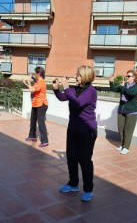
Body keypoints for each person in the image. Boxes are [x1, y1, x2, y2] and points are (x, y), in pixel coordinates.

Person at [53, 65, 97, 202]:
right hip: (73, 129)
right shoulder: (75, 89)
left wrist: (66, 86)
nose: (75, 76)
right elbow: (62, 97)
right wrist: (56, 89)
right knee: (71, 158)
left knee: (84, 160)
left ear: (84, 76)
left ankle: (88, 189)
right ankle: (73, 184)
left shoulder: (91, 91)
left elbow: (78, 103)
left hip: (87, 130)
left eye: (77, 74)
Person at [109, 69, 137, 155]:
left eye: (128, 76)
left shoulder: (136, 86)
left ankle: (126, 147)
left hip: (132, 111)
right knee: (120, 129)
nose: (127, 77)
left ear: (133, 78)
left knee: (128, 130)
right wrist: (111, 82)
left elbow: (130, 93)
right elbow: (114, 89)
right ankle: (122, 145)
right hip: (121, 110)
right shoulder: (124, 85)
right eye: (126, 76)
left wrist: (123, 87)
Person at [22, 67, 49, 147]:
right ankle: (32, 136)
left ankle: (45, 141)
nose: (34, 75)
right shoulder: (37, 82)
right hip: (35, 104)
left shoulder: (41, 82)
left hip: (41, 105)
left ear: (39, 74)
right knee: (33, 120)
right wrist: (26, 83)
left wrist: (28, 83)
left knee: (41, 123)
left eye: (35, 73)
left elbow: (32, 90)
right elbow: (32, 88)